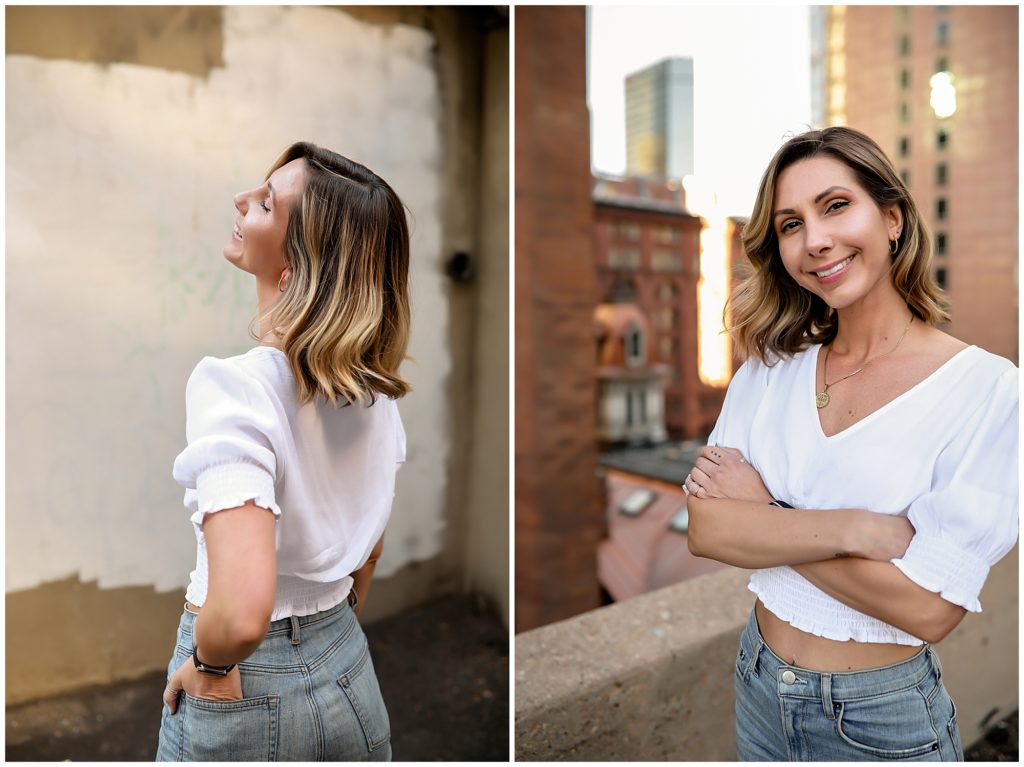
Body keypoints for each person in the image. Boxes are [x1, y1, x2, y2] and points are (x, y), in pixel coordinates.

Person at [684, 126, 1017, 762]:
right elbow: (706, 528)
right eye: (789, 224)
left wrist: (770, 517)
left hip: (881, 718)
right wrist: (858, 529)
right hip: (757, 681)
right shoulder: (769, 369)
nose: (815, 240)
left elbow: (928, 609)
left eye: (836, 206)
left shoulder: (988, 389)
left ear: (891, 218)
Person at [156, 141, 410, 761]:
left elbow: (242, 614)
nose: (242, 200)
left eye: (266, 203)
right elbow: (368, 549)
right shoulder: (376, 396)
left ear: (296, 269)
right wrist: (328, 629)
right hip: (348, 665)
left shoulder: (236, 388)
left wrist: (208, 666)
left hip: (238, 683)